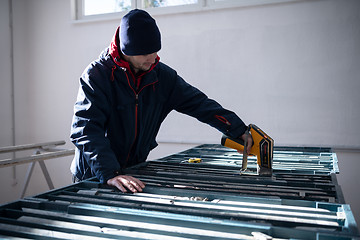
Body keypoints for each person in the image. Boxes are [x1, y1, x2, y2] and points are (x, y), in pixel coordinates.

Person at [70, 9, 253, 193]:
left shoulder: (161, 77)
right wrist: (110, 173)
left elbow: (199, 104)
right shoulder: (96, 76)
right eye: (144, 53)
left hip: (132, 173)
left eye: (155, 51)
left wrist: (237, 130)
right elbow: (86, 130)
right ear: (126, 50)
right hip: (94, 175)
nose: (152, 58)